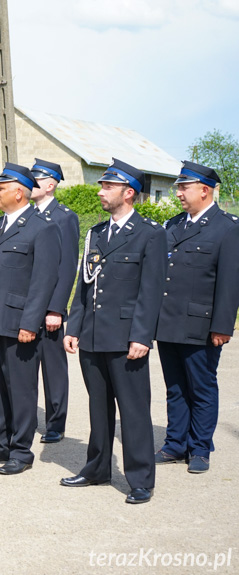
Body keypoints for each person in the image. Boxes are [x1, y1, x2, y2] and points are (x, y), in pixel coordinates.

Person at [62, 158, 167, 504]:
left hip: (126, 338)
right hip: (92, 334)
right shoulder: (96, 232)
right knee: (98, 408)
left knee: (134, 409)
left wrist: (141, 336)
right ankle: (97, 467)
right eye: (102, 185)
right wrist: (73, 325)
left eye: (108, 186)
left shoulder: (150, 234)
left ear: (129, 192)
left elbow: (150, 293)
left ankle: (140, 479)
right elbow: (85, 286)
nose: (101, 191)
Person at [0, 163, 60, 473]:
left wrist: (30, 323)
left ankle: (20, 450)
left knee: (20, 388)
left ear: (19, 192)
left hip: (18, 323)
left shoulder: (41, 227)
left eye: (0, 188)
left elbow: (43, 281)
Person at [154, 161, 239, 474]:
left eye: (183, 187)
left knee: (201, 388)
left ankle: (200, 448)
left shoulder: (227, 227)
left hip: (201, 325)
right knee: (174, 387)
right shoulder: (174, 224)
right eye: (178, 187)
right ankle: (175, 444)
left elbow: (230, 282)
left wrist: (222, 325)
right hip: (168, 322)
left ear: (204, 190)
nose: (178, 193)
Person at [29, 159, 80, 443]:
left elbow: (67, 266)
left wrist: (56, 309)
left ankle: (55, 423)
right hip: (27, 305)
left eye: (35, 180)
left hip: (49, 308)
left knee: (53, 369)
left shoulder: (64, 217)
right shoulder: (28, 216)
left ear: (50, 185)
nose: (30, 185)